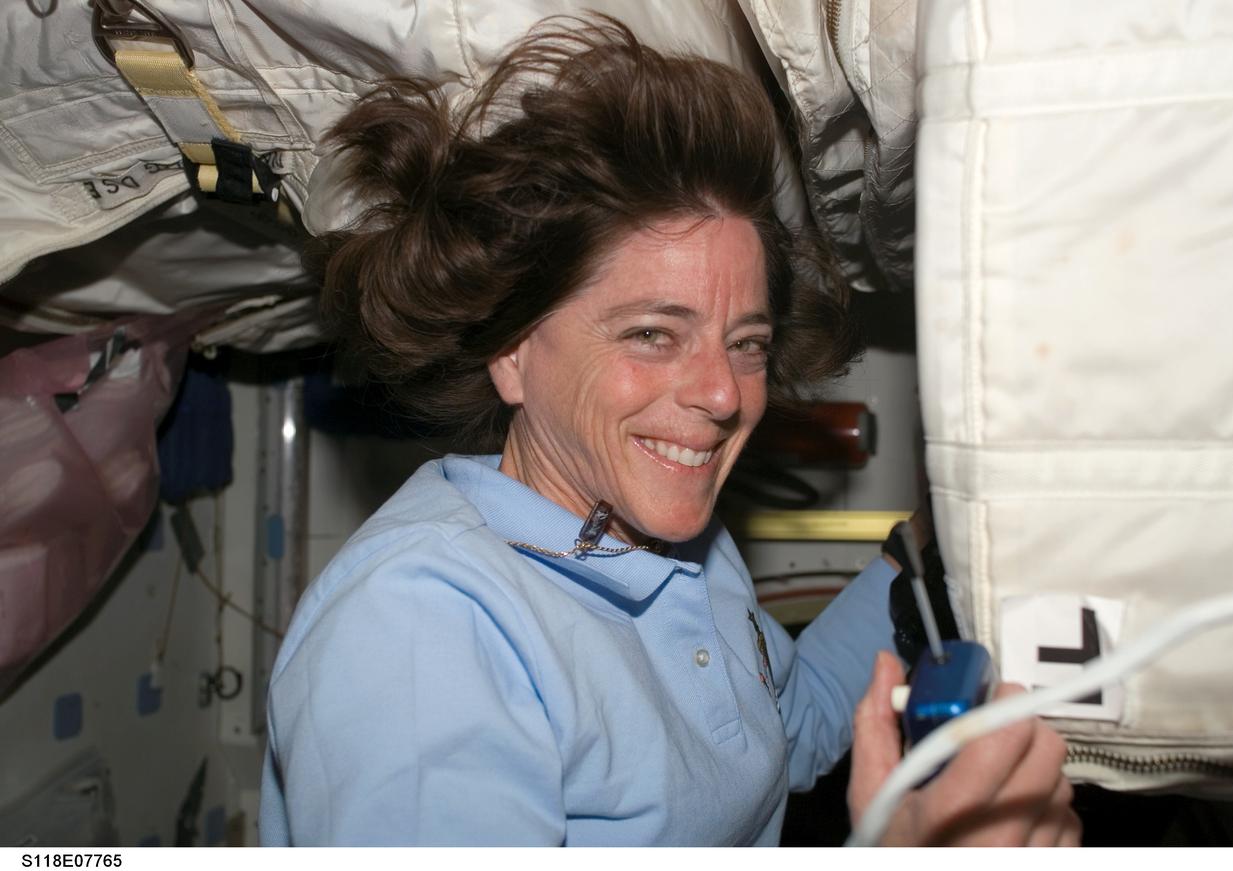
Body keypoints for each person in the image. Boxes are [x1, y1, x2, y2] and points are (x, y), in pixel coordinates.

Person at [258, 15, 1079, 846]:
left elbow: (790, 726)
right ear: (511, 350)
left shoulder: (676, 547)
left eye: (747, 343)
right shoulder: (423, 628)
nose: (725, 392)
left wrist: (921, 545)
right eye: (654, 333)